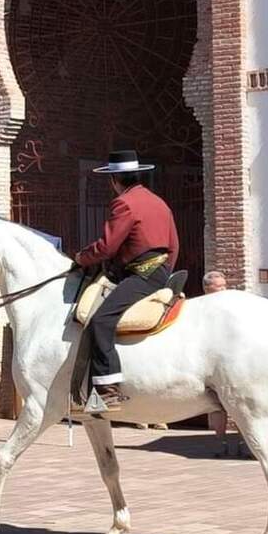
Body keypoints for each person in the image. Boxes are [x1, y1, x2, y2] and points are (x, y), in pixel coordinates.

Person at [74, 148, 180, 412]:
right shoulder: (158, 202)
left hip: (142, 275)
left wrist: (80, 258)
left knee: (100, 320)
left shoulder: (124, 203)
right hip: (160, 271)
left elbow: (108, 247)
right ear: (136, 175)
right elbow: (175, 245)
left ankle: (108, 389)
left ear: (114, 180)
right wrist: (164, 271)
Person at [203, 268, 246, 458]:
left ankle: (244, 441)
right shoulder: (201, 308)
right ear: (207, 289)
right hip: (212, 364)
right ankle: (219, 441)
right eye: (217, 287)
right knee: (217, 405)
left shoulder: (233, 306)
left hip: (235, 362)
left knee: (240, 403)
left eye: (224, 286)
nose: (222, 291)